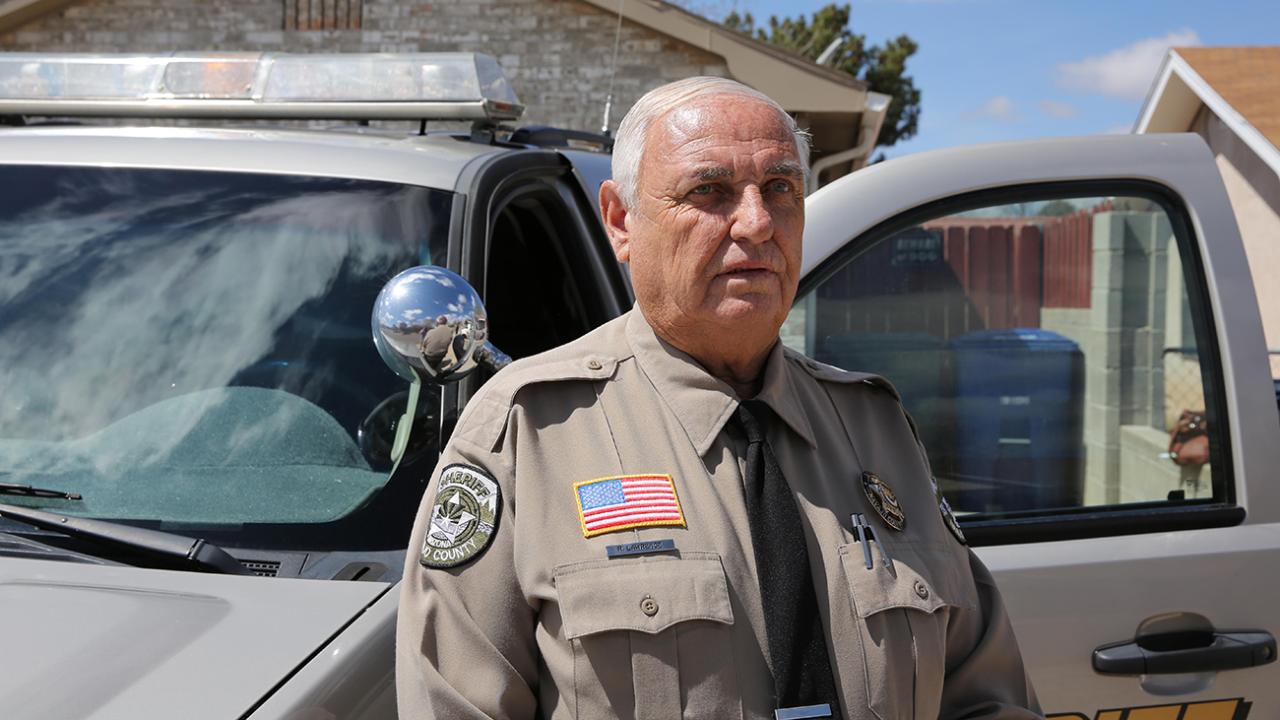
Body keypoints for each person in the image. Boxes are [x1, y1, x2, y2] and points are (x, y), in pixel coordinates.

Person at [397, 76, 1043, 719]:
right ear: (621, 221)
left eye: (781, 188)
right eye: (709, 190)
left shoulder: (876, 429)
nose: (758, 222)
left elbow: (985, 698)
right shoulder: (526, 435)